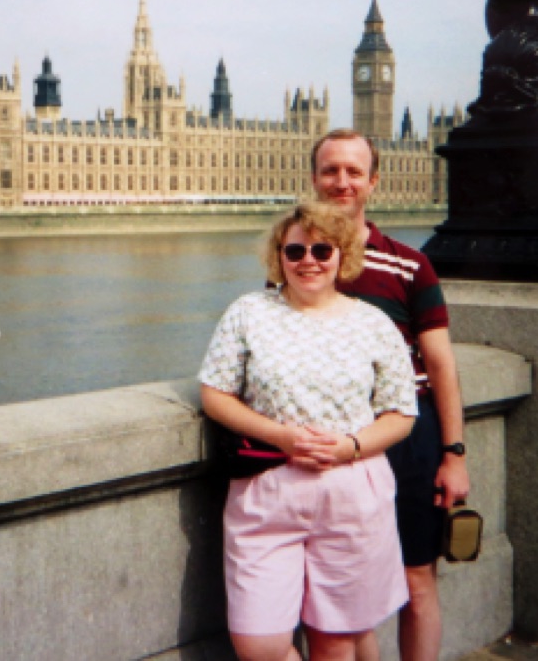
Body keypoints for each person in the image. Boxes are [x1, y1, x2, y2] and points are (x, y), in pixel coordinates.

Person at [200, 201, 418, 661]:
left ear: (342, 256)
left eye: (322, 249)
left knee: (334, 642)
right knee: (259, 647)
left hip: (351, 491)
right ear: (279, 255)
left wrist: (350, 447)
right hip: (268, 490)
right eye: (295, 250)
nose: (308, 261)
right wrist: (279, 435)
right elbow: (215, 395)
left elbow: (401, 412)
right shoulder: (248, 312)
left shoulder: (373, 323)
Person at [310, 128, 471, 661]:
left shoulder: (409, 264)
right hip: (330, 444)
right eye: (331, 170)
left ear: (373, 182)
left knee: (415, 578)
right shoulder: (296, 263)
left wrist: (453, 455)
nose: (342, 181)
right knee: (340, 584)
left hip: (407, 438)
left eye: (354, 171)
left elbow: (442, 366)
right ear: (314, 179)